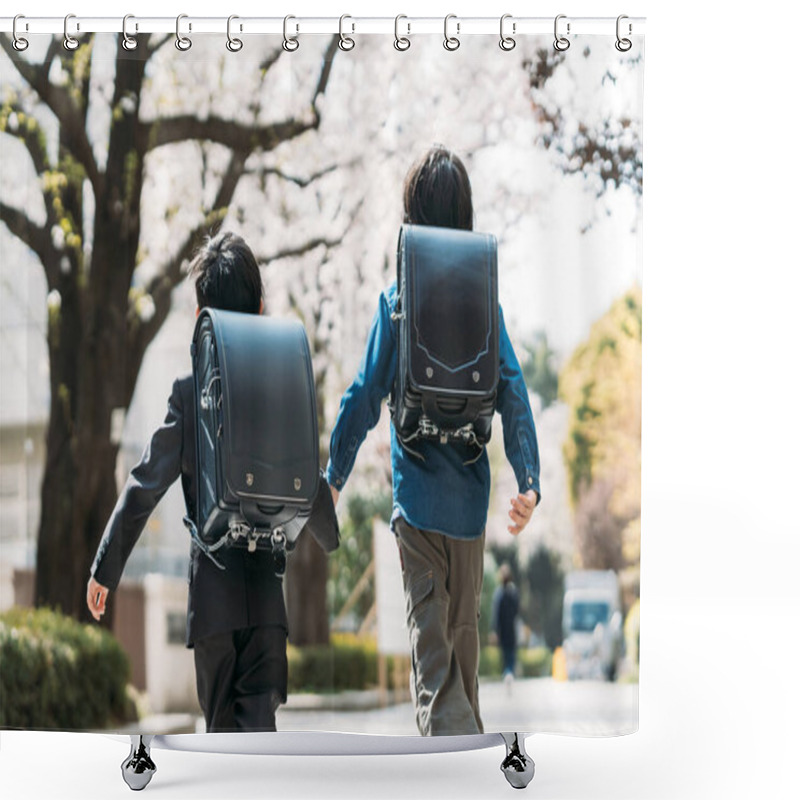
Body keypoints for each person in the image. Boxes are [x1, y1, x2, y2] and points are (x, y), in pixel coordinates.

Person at [325, 146, 541, 736]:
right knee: (464, 666)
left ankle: (454, 775)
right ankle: (470, 766)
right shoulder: (485, 306)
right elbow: (514, 392)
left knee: (437, 668)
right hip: (470, 508)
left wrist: (333, 480)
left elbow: (363, 394)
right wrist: (529, 481)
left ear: (411, 218)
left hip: (417, 507)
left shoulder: (400, 301)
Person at [86, 232, 288, 733]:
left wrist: (105, 568)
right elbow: (310, 476)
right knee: (262, 747)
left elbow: (144, 484)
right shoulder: (282, 385)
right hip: (266, 602)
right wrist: (329, 533)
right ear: (261, 308)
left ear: (200, 320)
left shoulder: (190, 393)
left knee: (222, 746)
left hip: (215, 606)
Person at [492, 563, 520, 692]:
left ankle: (507, 673)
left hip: (502, 631)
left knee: (505, 655)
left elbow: (496, 614)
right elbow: (517, 611)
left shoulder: (499, 594)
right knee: (511, 656)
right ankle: (510, 673)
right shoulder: (513, 592)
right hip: (512, 630)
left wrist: (494, 631)